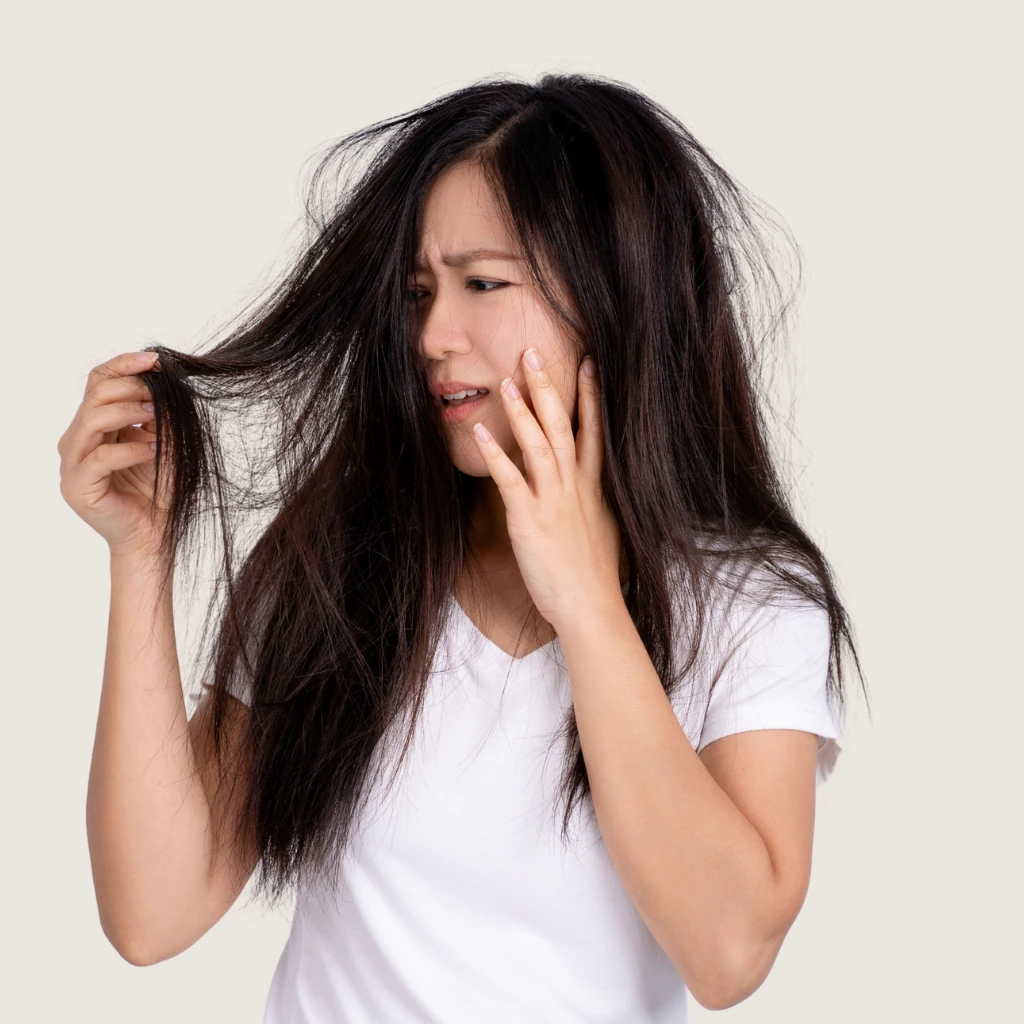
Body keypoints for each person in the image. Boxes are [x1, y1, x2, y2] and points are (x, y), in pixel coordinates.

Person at [59, 73, 866, 1021]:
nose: (435, 335)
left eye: (483, 284)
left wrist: (588, 604)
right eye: (418, 293)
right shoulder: (343, 555)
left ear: (617, 293)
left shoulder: (750, 601)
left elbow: (729, 953)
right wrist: (142, 557)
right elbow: (153, 915)